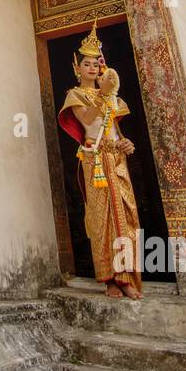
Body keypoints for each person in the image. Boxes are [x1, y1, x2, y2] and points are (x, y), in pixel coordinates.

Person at [57, 20, 144, 300]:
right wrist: (105, 94)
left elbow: (115, 129)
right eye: (87, 64)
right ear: (76, 68)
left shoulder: (112, 96)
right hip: (93, 158)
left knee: (126, 215)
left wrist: (125, 142)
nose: (92, 69)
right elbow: (88, 120)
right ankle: (109, 279)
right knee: (102, 218)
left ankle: (127, 275)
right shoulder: (76, 94)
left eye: (96, 64)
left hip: (116, 157)